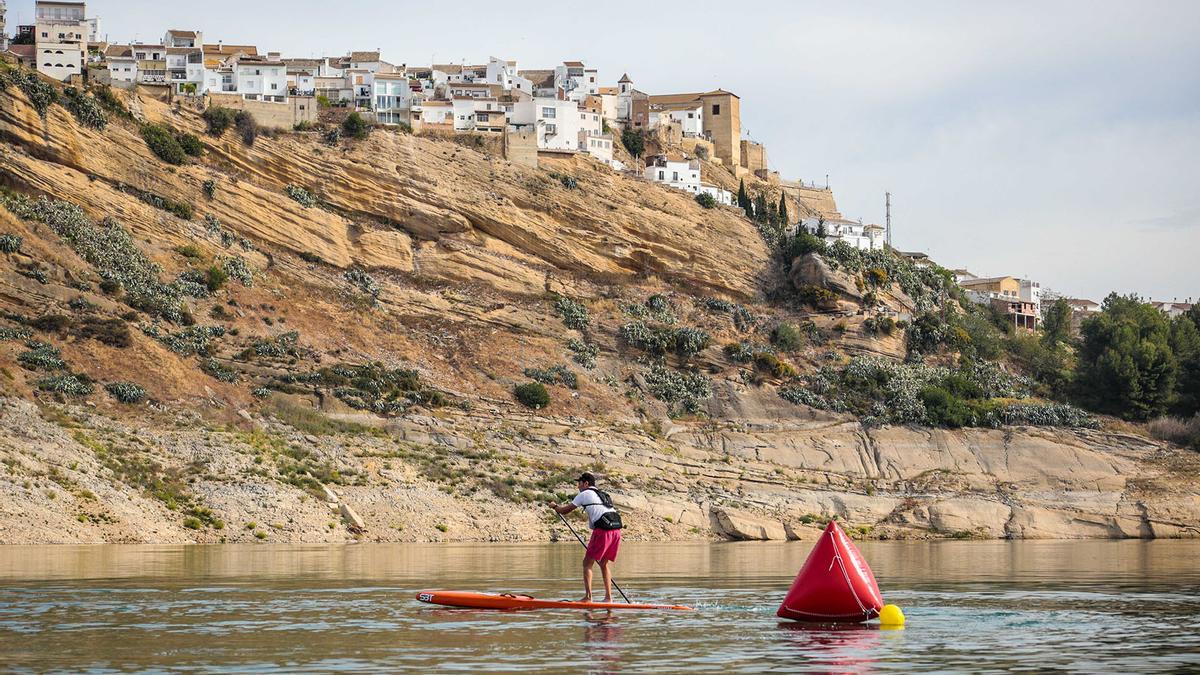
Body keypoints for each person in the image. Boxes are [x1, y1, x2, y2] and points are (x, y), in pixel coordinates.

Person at [548, 472, 623, 603]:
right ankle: (608, 598)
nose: (578, 486)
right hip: (616, 530)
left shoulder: (585, 494)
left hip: (603, 531)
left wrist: (555, 506)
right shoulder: (603, 494)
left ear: (586, 483)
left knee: (587, 563)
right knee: (604, 564)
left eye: (579, 483)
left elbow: (565, 510)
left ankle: (588, 598)